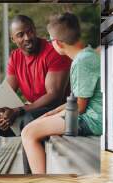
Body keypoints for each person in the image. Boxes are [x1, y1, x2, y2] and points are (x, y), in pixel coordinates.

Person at [0, 15, 71, 174]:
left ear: (35, 30)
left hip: (58, 113)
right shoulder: (15, 57)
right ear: (13, 39)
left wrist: (18, 110)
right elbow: (6, 93)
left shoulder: (54, 51)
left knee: (30, 121)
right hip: (30, 112)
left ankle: (29, 180)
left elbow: (54, 96)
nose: (27, 37)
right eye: (20, 35)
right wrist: (0, 112)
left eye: (30, 32)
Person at [21, 12, 102, 174]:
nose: (50, 44)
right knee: (34, 125)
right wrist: (52, 112)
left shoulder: (82, 62)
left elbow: (80, 107)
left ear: (58, 42)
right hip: (88, 115)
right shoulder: (87, 55)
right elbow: (77, 100)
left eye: (51, 40)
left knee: (28, 133)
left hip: (91, 120)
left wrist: (53, 116)